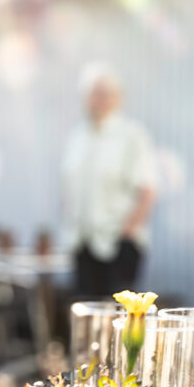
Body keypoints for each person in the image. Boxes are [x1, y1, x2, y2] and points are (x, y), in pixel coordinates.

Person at [62, 63, 156, 298]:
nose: (100, 100)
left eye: (106, 93)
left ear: (118, 97)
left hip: (118, 244)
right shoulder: (77, 136)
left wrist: (126, 233)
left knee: (117, 320)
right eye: (95, 93)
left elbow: (148, 190)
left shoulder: (132, 135)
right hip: (83, 244)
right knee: (86, 315)